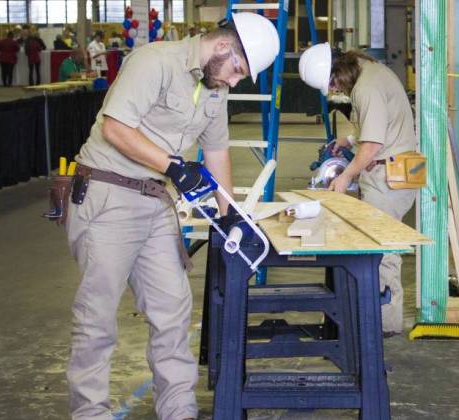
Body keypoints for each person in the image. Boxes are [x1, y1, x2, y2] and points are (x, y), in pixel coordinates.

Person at [65, 12, 278, 419]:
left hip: (155, 199)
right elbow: (115, 127)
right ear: (221, 46)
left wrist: (230, 215)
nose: (235, 81)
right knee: (98, 317)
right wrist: (175, 167)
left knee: (173, 310)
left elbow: (216, 152)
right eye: (237, 70)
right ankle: (90, 413)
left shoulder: (215, 87)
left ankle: (178, 411)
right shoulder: (154, 61)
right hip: (109, 196)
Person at [298, 44, 417, 337]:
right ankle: (373, 320)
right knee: (376, 247)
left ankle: (384, 328)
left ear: (339, 71)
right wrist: (350, 140)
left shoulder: (366, 88)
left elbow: (374, 144)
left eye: (333, 83)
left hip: (387, 174)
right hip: (391, 168)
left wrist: (345, 176)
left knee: (382, 250)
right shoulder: (371, 74)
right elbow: (379, 122)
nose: (334, 89)